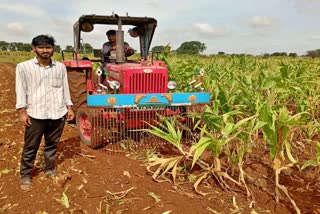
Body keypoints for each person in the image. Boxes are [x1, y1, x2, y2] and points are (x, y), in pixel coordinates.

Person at [15, 34, 75, 191]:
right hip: (36, 113)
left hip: (57, 112)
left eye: (48, 47)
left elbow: (65, 88)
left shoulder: (60, 67)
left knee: (52, 144)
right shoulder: (24, 67)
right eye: (41, 47)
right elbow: (20, 90)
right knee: (31, 145)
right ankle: (26, 175)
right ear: (34, 48)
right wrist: (22, 111)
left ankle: (49, 169)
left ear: (53, 48)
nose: (45, 50)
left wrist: (69, 107)